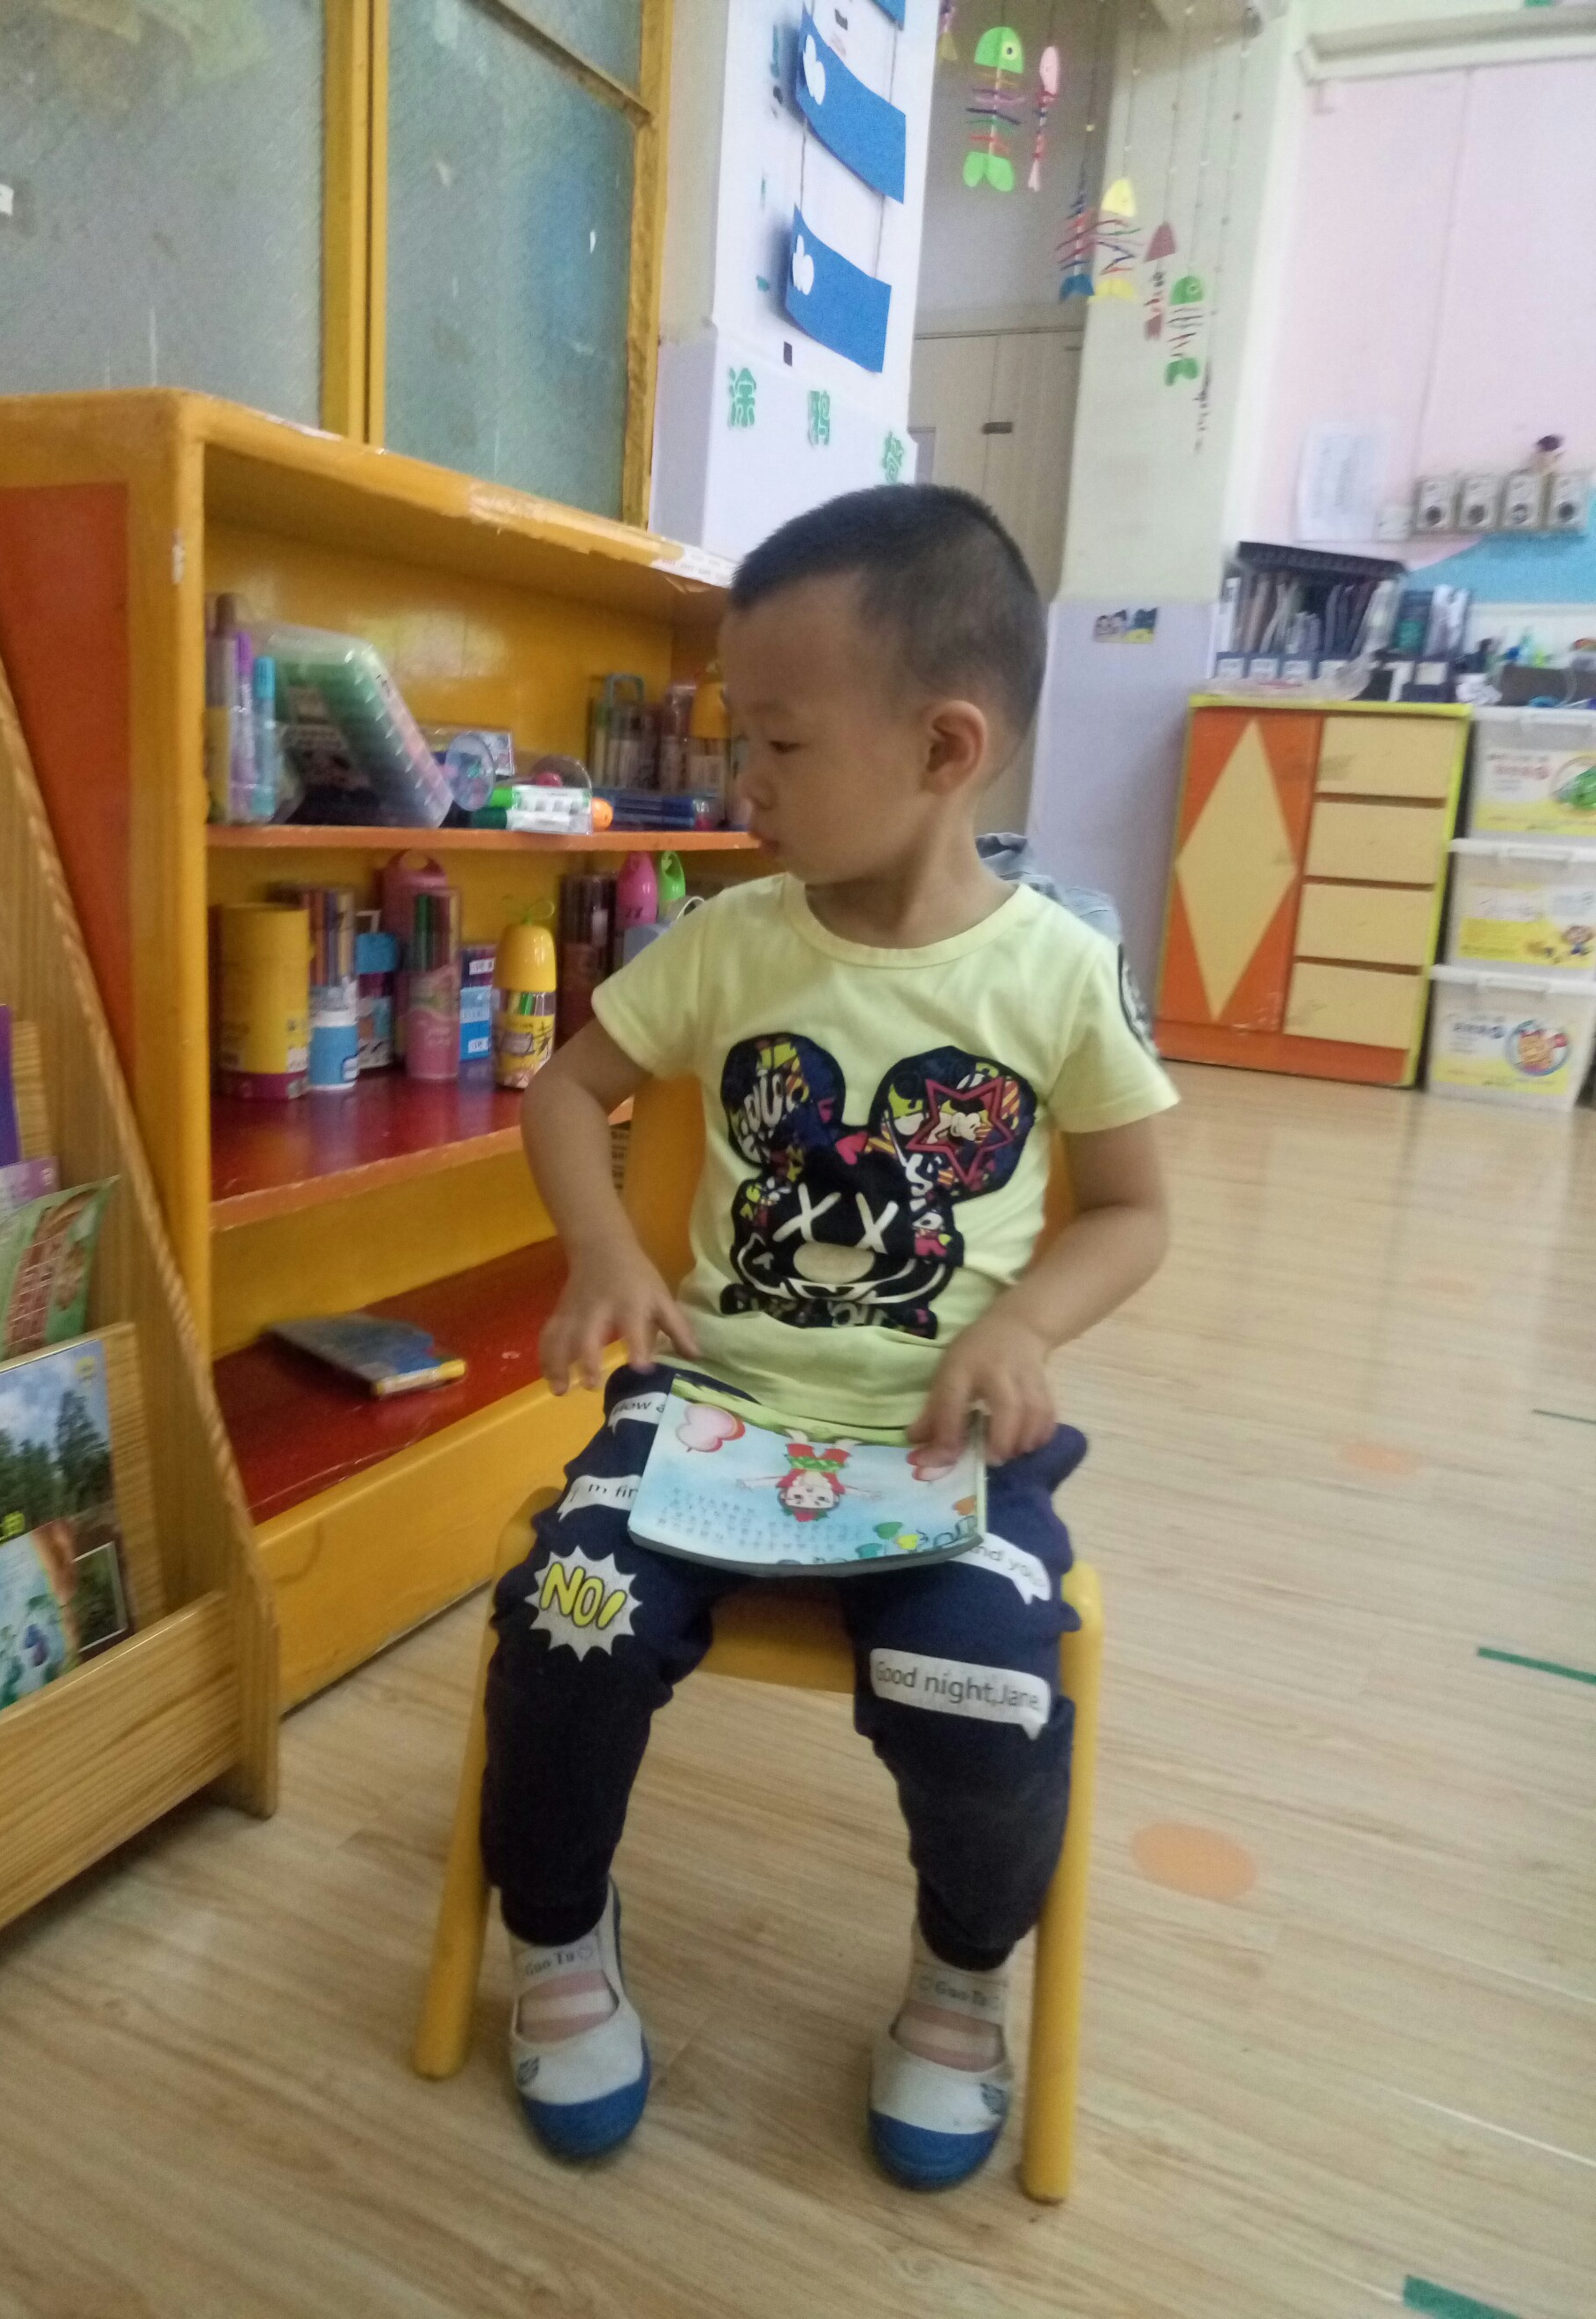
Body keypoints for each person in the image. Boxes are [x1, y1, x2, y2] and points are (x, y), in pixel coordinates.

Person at [487, 484, 1175, 2186]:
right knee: (567, 1619)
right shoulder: (730, 943)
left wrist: (1024, 1326)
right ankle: (557, 1936)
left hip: (938, 1451)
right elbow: (568, 1091)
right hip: (714, 1409)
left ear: (946, 748)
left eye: (780, 744)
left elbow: (1132, 1210)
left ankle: (959, 1976)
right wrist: (602, 1256)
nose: (745, 782)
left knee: (985, 1686)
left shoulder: (1055, 974)